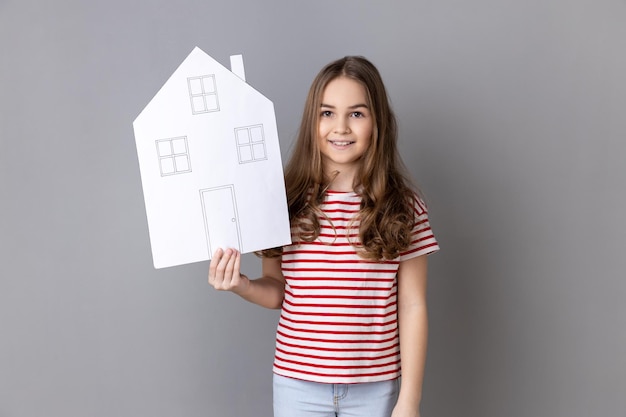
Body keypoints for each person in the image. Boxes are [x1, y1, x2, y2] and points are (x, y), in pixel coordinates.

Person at [208, 56, 439, 417]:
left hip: (375, 387)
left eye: (357, 114)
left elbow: (412, 306)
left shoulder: (404, 206)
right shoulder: (284, 201)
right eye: (327, 113)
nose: (341, 127)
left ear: (378, 121)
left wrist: (410, 400)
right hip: (296, 384)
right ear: (312, 121)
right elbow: (276, 291)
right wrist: (242, 285)